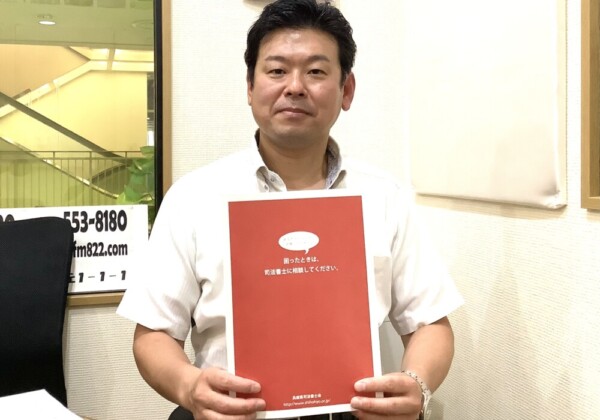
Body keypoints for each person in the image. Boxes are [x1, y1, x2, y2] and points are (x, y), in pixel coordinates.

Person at [117, 1, 463, 419]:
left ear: (346, 90)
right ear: (250, 86)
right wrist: (190, 388)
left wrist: (417, 386)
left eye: (316, 71)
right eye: (277, 70)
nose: (295, 86)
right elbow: (153, 334)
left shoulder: (384, 198)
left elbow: (431, 323)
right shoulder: (194, 197)